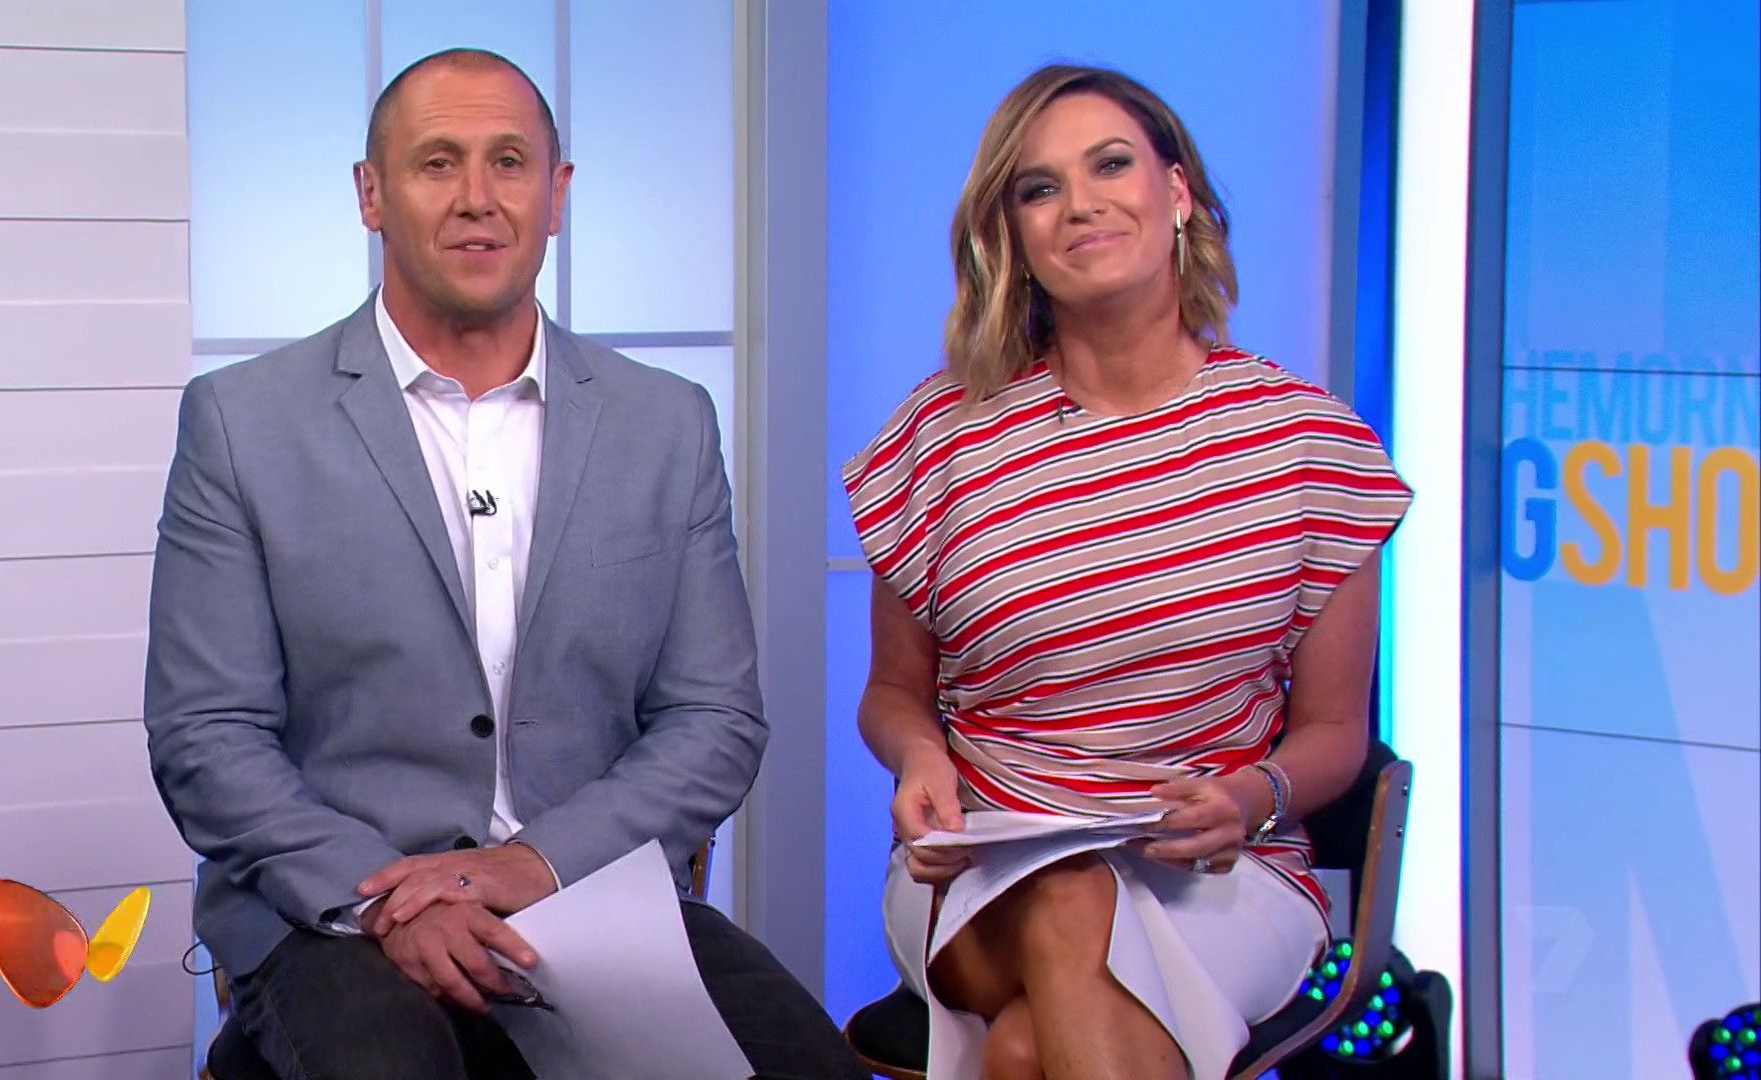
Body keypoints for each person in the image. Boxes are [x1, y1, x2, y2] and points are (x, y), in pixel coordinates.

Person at [145, 47, 865, 1080]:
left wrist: (532, 865)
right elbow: (206, 733)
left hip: (590, 890)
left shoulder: (665, 423)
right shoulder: (243, 422)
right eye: (438, 162)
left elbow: (714, 719)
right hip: (337, 912)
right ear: (371, 194)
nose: (477, 198)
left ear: (556, 194)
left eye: (510, 162)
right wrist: (388, 897)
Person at [842, 64, 1412, 1080]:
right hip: (985, 867)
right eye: (1040, 188)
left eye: (1110, 165)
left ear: (1177, 192)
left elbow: (1335, 732)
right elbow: (893, 694)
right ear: (1012, 234)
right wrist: (921, 760)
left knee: (1026, 1050)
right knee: (1069, 897)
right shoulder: (938, 439)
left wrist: (1252, 796)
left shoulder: (1309, 445)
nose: (1080, 204)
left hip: (1225, 874)